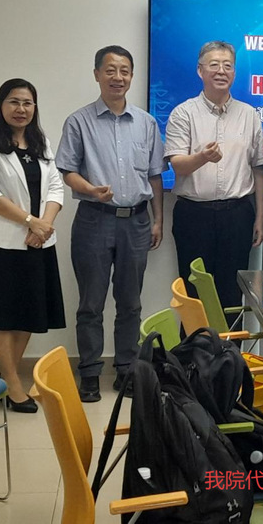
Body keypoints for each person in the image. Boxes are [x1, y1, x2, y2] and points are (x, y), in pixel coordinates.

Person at [55, 45, 166, 402]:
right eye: (111, 70)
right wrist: (89, 189)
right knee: (91, 303)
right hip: (94, 220)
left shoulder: (146, 123)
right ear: (97, 74)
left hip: (136, 221)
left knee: (130, 302)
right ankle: (89, 373)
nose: (118, 77)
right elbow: (67, 170)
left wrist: (157, 220)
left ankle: (126, 371)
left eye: (125, 71)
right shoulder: (79, 121)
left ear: (131, 76)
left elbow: (154, 176)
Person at [0, 78, 66, 413]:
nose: (21, 109)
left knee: (28, 314)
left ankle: (6, 378)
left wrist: (44, 224)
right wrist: (30, 221)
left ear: (34, 107)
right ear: (1, 105)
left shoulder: (41, 142)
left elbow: (56, 187)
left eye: (27, 103)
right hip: (1, 244)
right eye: (14, 102)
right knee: (3, 314)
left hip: (39, 242)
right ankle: (12, 383)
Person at [164, 41, 263, 315]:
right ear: (200, 71)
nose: (221, 71)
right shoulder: (183, 113)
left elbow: (258, 169)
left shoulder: (249, 115)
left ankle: (231, 345)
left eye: (227, 65)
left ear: (234, 72)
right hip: (193, 215)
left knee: (232, 292)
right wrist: (202, 157)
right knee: (194, 292)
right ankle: (195, 345)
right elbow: (177, 165)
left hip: (237, 215)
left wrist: (259, 218)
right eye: (214, 65)